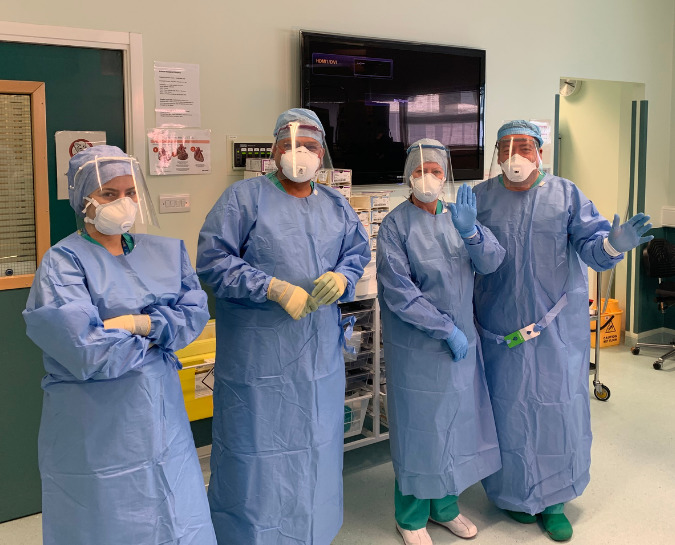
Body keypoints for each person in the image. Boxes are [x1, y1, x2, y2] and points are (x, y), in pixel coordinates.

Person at [22, 145, 216, 545]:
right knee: (107, 520)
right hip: (99, 422)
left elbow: (193, 315)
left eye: (130, 192)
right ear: (84, 200)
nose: (123, 203)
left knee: (175, 509)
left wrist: (133, 324)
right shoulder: (62, 264)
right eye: (109, 194)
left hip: (162, 415)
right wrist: (158, 334)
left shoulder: (164, 252)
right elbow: (88, 351)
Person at [197, 108, 371, 545]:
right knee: (257, 452)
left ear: (322, 153)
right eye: (291, 146)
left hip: (318, 359)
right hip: (260, 360)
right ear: (274, 151)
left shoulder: (335, 203)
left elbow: (357, 250)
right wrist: (271, 287)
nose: (301, 155)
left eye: (310, 146)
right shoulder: (243, 199)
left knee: (317, 444)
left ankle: (312, 532)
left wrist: (344, 276)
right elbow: (213, 262)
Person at [473, 121, 653, 541]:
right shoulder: (480, 199)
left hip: (556, 333)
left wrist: (613, 245)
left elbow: (592, 248)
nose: (515, 155)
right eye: (506, 147)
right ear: (497, 154)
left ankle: (555, 501)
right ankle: (512, 495)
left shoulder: (565, 195)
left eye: (524, 146)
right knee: (507, 411)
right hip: (501, 331)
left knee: (558, 410)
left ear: (539, 152)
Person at [376, 139, 505, 545]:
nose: (427, 178)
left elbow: (492, 261)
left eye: (434, 170)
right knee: (421, 430)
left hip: (461, 345)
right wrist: (443, 328)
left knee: (456, 424)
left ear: (446, 175)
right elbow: (399, 292)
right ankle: (410, 514)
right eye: (418, 171)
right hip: (417, 347)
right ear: (407, 175)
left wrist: (471, 232)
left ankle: (445, 507)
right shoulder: (395, 226)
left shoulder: (459, 217)